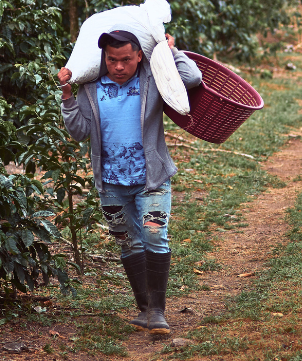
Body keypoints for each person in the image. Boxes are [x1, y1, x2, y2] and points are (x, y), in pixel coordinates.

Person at [57, 27, 202, 335]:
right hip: (110, 182)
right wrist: (68, 97)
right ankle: (145, 310)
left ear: (139, 56)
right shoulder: (90, 88)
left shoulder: (152, 80)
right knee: (128, 242)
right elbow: (79, 130)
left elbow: (191, 79)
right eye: (111, 60)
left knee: (153, 235)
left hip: (152, 178)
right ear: (103, 59)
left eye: (125, 59)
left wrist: (170, 51)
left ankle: (158, 312)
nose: (119, 67)